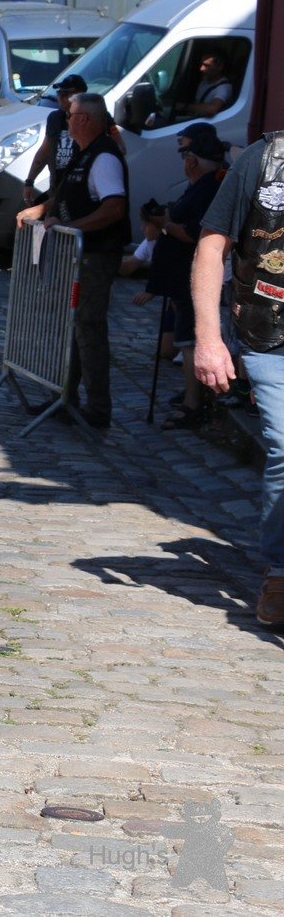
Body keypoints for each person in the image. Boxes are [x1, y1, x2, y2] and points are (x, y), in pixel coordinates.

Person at [194, 129, 284, 624]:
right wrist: (208, 339)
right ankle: (280, 574)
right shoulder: (263, 160)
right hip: (270, 330)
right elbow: (212, 247)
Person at [14, 92, 131, 429]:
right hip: (80, 255)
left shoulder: (103, 157)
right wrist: (41, 209)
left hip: (95, 256)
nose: (65, 121)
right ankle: (65, 396)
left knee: (88, 328)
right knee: (73, 327)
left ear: (83, 119)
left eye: (70, 115)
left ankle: (97, 408)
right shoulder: (85, 153)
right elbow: (67, 193)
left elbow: (114, 208)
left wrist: (73, 227)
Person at [145, 127, 228, 428]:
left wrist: (166, 224)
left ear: (191, 161)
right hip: (183, 278)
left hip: (192, 277)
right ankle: (193, 396)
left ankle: (194, 404)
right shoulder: (203, 185)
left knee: (190, 341)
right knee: (186, 338)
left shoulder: (207, 188)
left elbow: (194, 232)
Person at [21, 73, 87, 209]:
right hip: (56, 190)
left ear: (79, 96)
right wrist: (29, 182)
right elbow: (45, 151)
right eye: (59, 94)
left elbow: (118, 147)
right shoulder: (55, 118)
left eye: (65, 94)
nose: (60, 98)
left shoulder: (94, 118)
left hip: (81, 194)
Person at [176, 53, 234, 120]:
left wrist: (185, 106)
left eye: (207, 65)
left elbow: (212, 109)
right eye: (201, 64)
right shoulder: (205, 81)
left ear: (220, 67)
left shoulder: (224, 87)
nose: (201, 69)